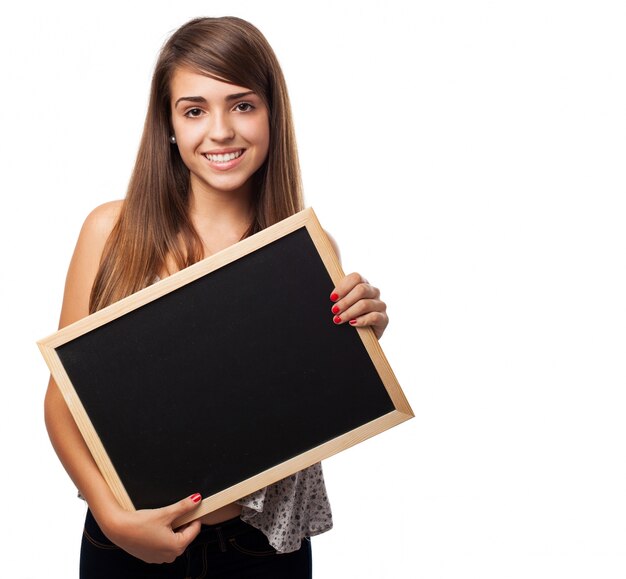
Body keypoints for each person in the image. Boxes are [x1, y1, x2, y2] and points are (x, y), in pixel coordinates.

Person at [44, 16, 389, 578]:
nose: (221, 131)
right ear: (170, 126)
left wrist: (359, 339)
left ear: (273, 115)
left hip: (260, 546)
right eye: (195, 109)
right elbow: (61, 406)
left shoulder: (305, 248)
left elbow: (300, 400)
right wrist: (111, 518)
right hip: (128, 536)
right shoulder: (111, 231)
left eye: (243, 105)